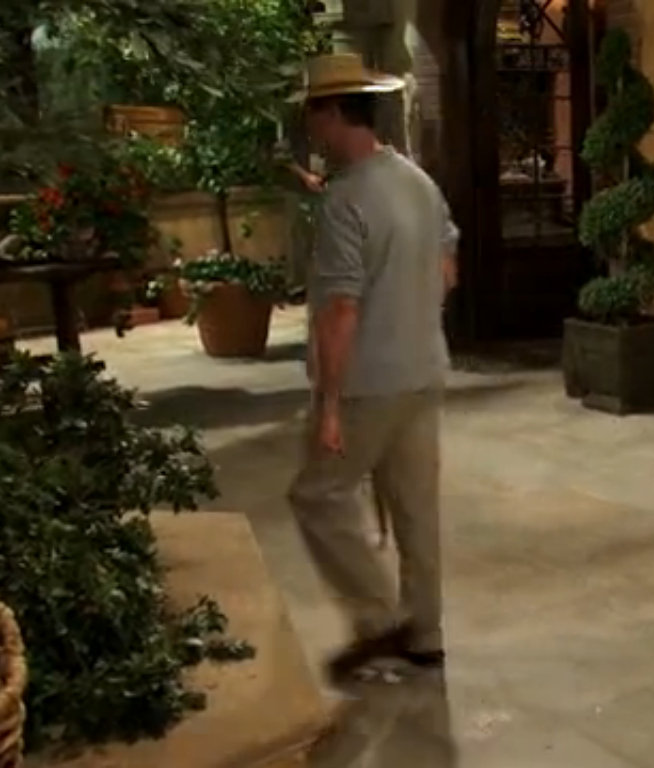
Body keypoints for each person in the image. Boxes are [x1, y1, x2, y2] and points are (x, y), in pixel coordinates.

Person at [286, 52, 460, 681]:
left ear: (334, 113)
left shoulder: (345, 200)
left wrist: (330, 404)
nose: (309, 127)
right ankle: (425, 632)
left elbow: (340, 310)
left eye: (312, 113)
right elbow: (446, 269)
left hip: (368, 384)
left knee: (317, 495)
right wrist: (409, 312)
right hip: (423, 369)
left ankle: (380, 617)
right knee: (415, 508)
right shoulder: (417, 182)